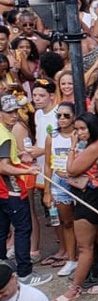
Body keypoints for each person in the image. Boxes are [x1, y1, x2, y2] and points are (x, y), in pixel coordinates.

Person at [0, 95, 50, 286]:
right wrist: (27, 169)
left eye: (16, 111)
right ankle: (24, 273)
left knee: (2, 230)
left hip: (2, 191)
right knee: (22, 229)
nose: (15, 115)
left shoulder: (4, 132)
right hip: (10, 189)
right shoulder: (5, 136)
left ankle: (3, 266)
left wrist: (19, 156)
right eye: (10, 112)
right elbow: (3, 166)